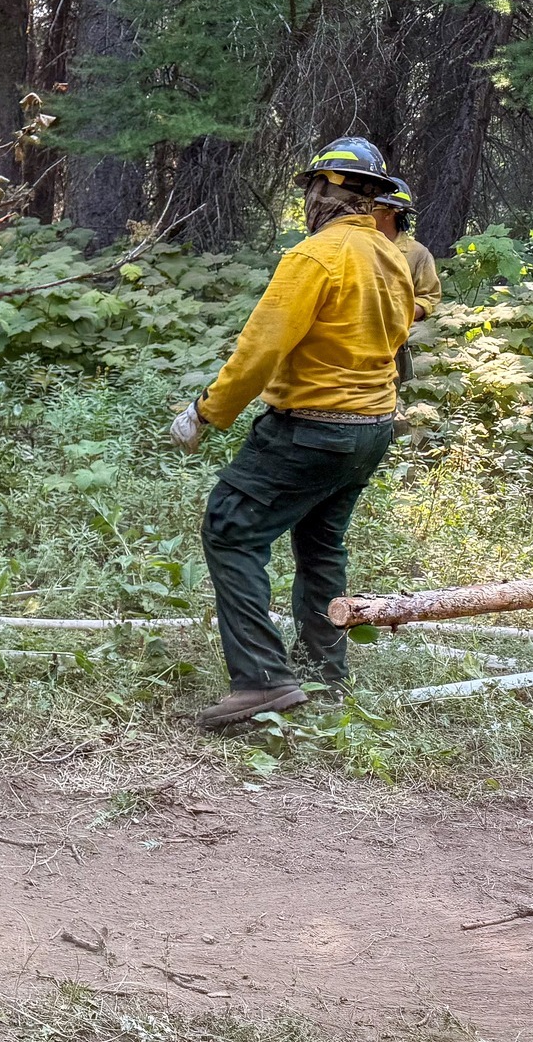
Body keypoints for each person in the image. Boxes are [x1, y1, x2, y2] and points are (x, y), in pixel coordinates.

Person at [167, 137, 413, 729]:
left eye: (313, 189)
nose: (310, 199)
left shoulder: (314, 257)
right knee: (321, 544)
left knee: (231, 527)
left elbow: (260, 349)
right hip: (371, 428)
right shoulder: (393, 257)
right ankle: (326, 677)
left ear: (326, 191)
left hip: (312, 427)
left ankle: (261, 681)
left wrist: (206, 411)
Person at [370, 178, 442, 383]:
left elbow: (429, 297)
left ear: (389, 213)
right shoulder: (355, 246)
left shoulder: (416, 254)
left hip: (393, 346)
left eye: (372, 207)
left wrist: (398, 315)